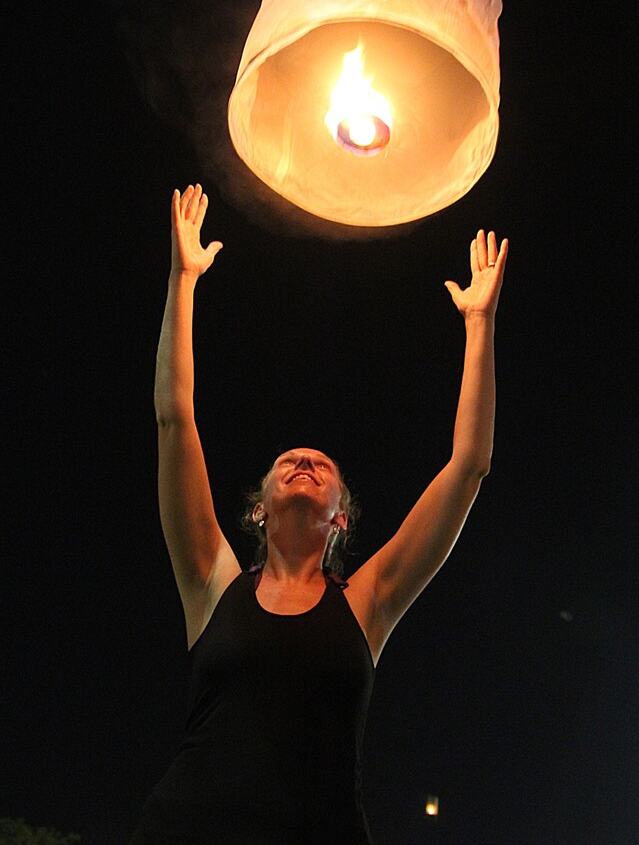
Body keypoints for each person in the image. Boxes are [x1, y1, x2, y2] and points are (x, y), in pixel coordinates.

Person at [129, 184, 508, 845]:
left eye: (320, 465)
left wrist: (479, 324)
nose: (303, 459)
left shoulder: (370, 601)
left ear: (339, 518)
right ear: (256, 511)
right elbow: (173, 417)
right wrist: (182, 279)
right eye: (288, 461)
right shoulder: (209, 582)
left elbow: (468, 464)